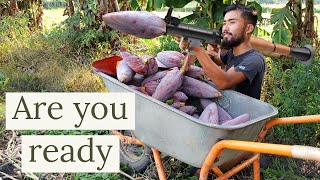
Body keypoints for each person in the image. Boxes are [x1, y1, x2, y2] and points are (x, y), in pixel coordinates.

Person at [181, 3, 265, 100]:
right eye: (224, 23)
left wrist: (198, 49)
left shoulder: (254, 59)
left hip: (244, 111)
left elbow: (224, 82)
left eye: (232, 22)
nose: (225, 28)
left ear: (248, 28)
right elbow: (215, 60)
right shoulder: (233, 52)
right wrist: (209, 53)